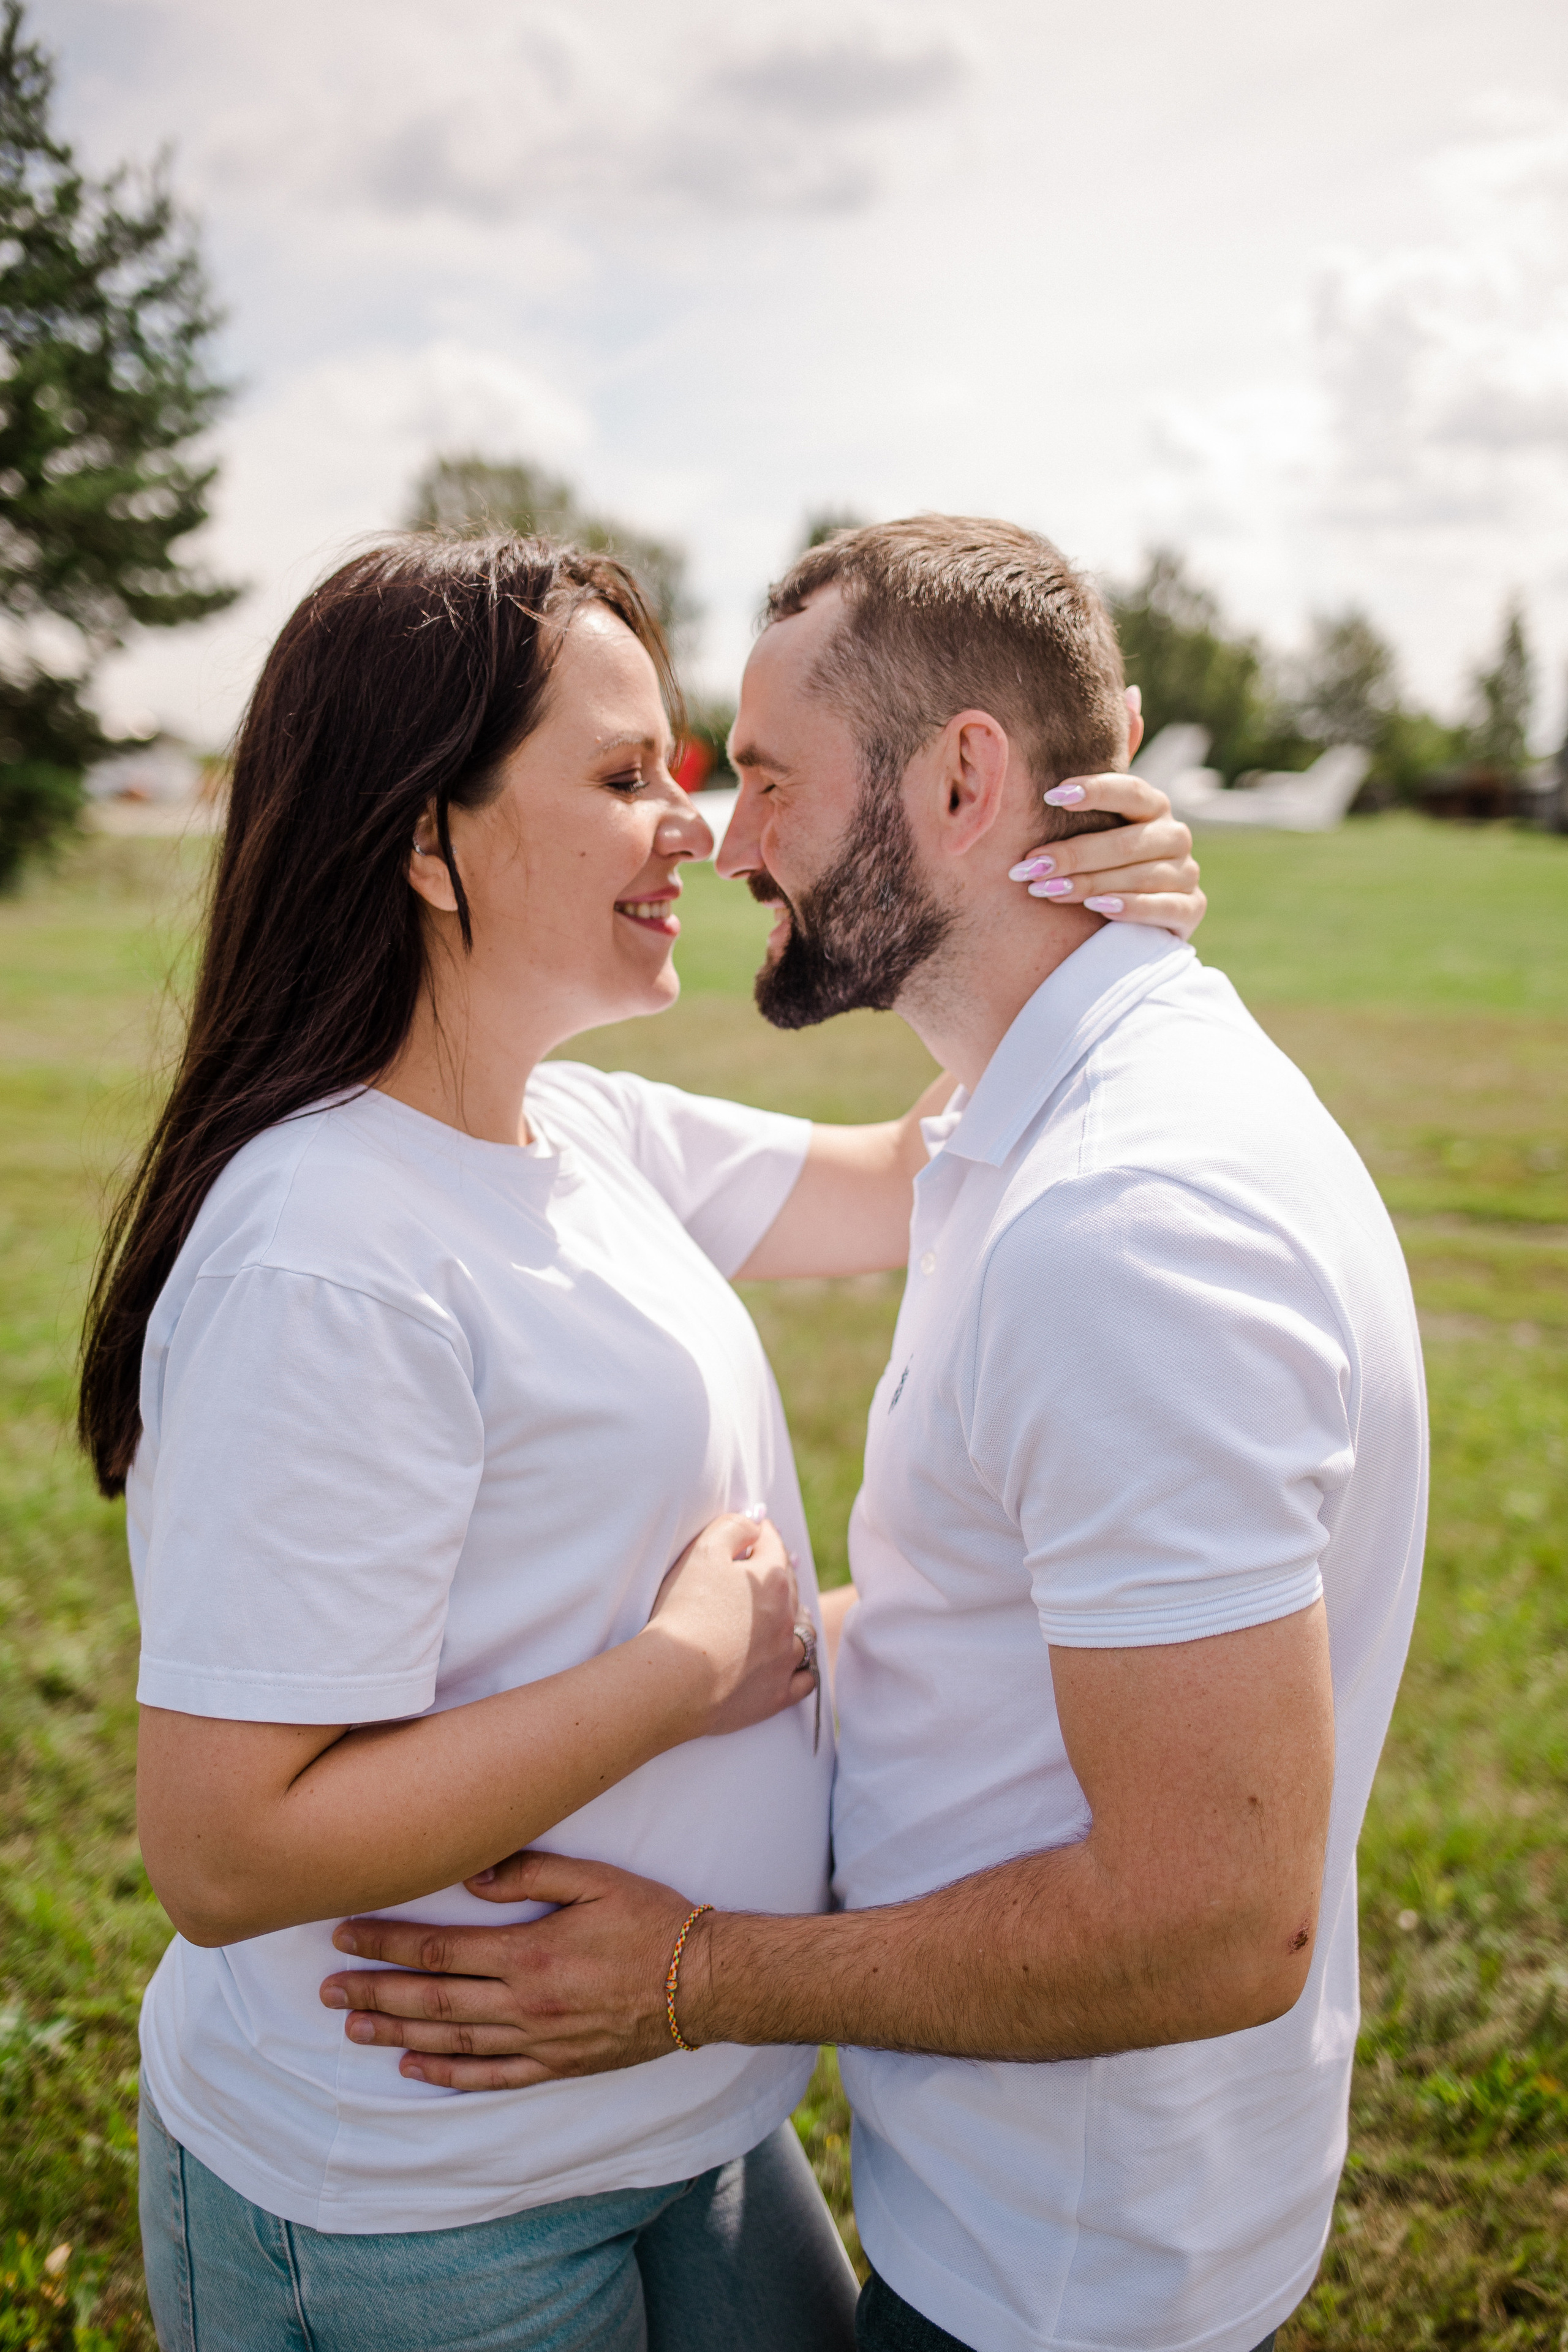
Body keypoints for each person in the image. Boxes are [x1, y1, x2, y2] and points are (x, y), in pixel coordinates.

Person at [80, 530, 1201, 2352]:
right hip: (420, 2203)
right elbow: (225, 1854)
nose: (699, 826)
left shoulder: (575, 1132)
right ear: (426, 842)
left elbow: (909, 1174)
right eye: (623, 779)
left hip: (686, 2119)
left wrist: (1081, 903)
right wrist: (684, 1672)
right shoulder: (327, 1257)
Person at [319, 518, 1430, 2352]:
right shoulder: (1043, 1117)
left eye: (766, 778)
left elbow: (1216, 1924)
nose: (726, 837)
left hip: (1059, 2271)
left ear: (965, 781)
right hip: (1034, 2210)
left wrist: (691, 1976)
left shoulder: (1122, 1222)